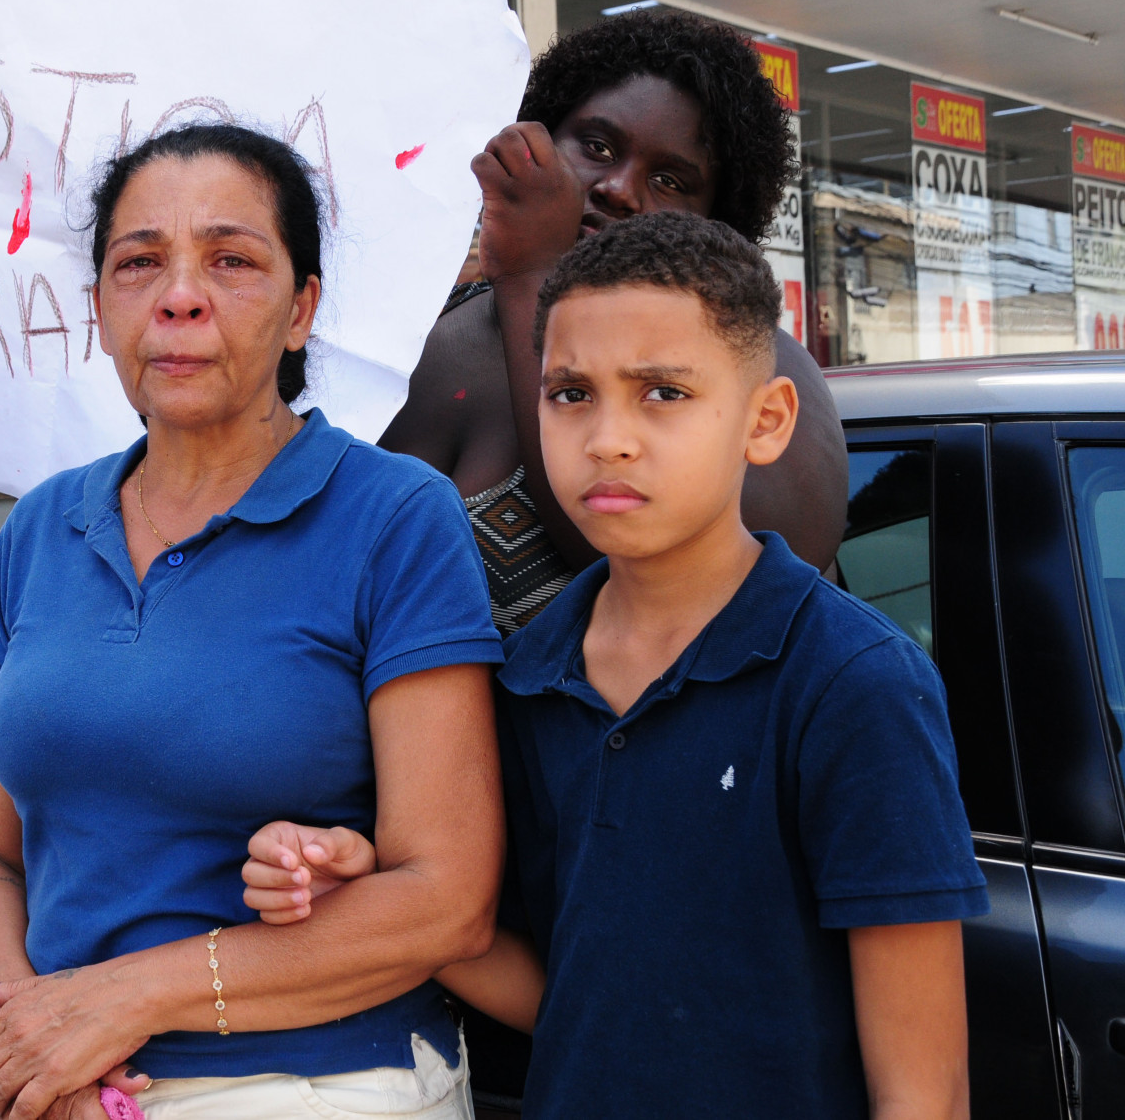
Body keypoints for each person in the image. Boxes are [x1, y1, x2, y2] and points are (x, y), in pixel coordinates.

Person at [248, 213, 988, 1119]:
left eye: (663, 392)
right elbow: (572, 995)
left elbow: (924, 1089)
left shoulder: (851, 682)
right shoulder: (528, 674)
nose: (608, 438)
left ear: (765, 421)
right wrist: (376, 897)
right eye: (571, 393)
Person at [0, 124, 507, 1120]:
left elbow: (447, 899)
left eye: (231, 260)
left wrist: (117, 1002)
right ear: (99, 309)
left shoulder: (391, 517)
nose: (179, 296)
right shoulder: (40, 527)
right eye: (139, 262)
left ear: (303, 309)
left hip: (322, 1083)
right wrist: (27, 1045)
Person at [380, 9, 848, 634]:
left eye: (669, 180)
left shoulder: (748, 358)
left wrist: (534, 276)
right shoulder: (426, 326)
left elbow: (740, 598)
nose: (620, 189)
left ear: (717, 218)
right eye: (596, 147)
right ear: (538, 138)